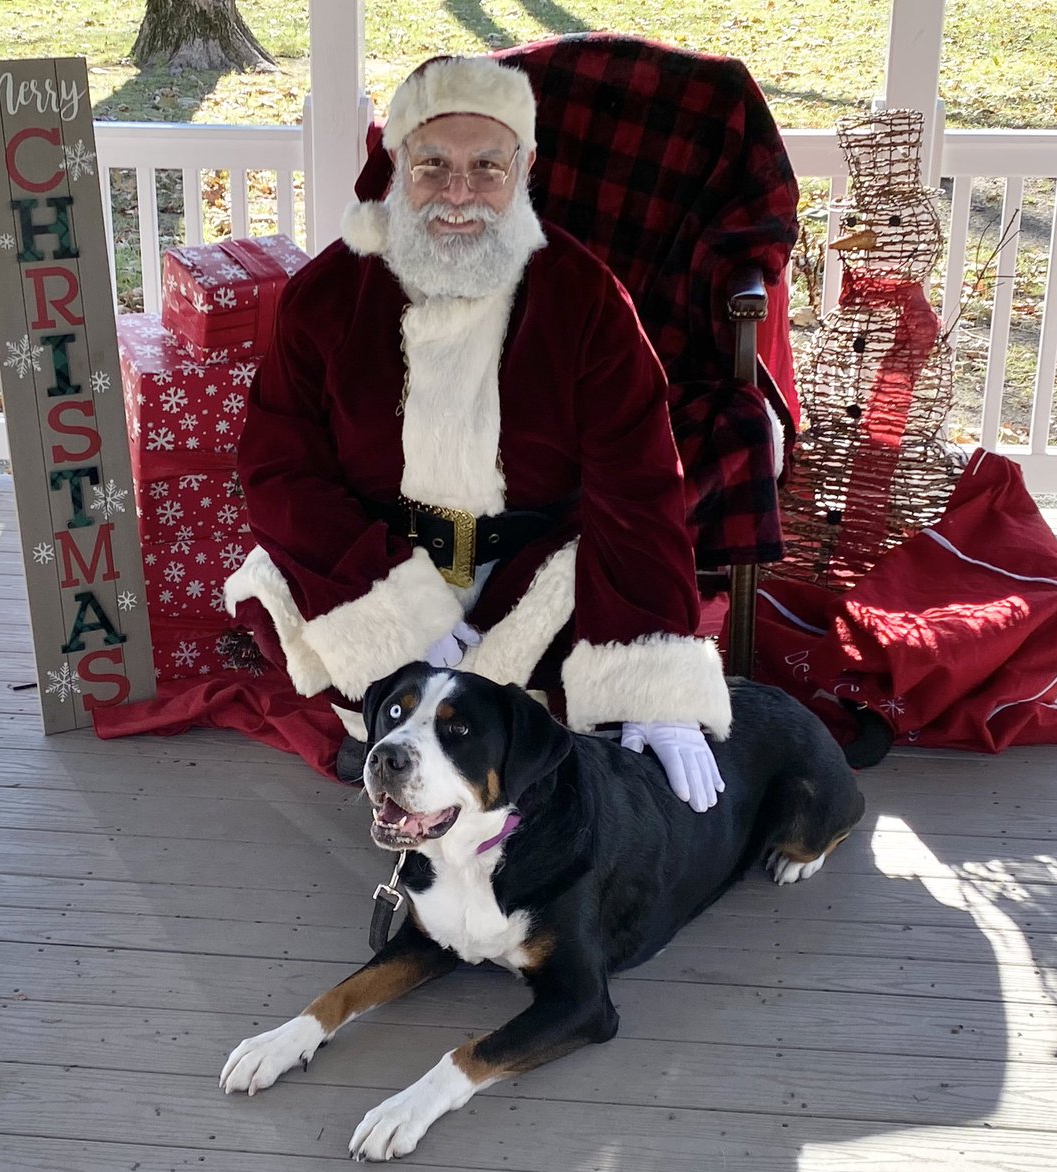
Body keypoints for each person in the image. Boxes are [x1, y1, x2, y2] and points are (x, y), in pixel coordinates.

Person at [224, 54, 729, 810]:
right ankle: (412, 702)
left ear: (525, 166)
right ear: (396, 163)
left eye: (486, 166)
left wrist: (653, 676)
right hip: (370, 558)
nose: (458, 194)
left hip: (523, 576)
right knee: (276, 597)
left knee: (585, 645)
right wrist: (394, 608)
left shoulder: (584, 297)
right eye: (433, 165)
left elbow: (641, 484)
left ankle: (430, 716)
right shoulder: (328, 293)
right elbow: (277, 467)